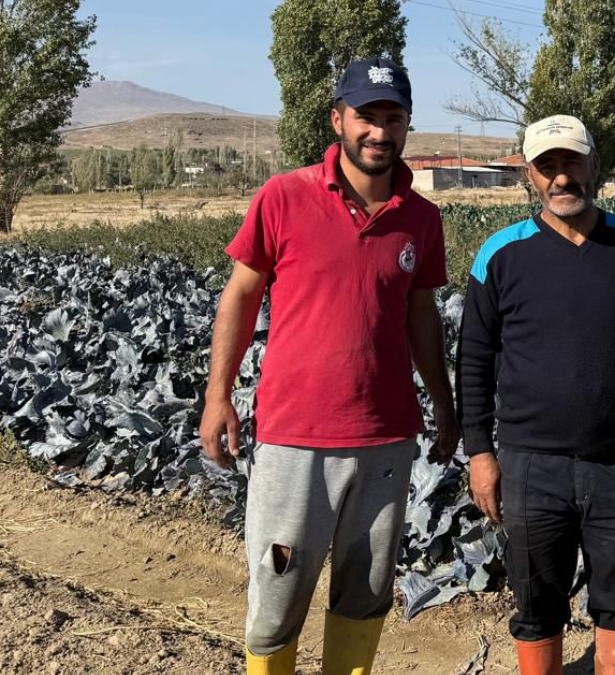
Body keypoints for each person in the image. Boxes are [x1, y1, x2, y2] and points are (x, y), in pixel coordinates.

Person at [198, 56, 457, 675]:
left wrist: (444, 404)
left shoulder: (421, 218)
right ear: (338, 119)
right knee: (277, 599)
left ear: (407, 126)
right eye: (366, 116)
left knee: (365, 595)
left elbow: (422, 317)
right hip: (294, 438)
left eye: (393, 118)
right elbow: (239, 295)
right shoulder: (283, 197)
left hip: (386, 438)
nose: (379, 132)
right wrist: (218, 395)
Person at [456, 114, 615, 675]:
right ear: (530, 177)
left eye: (572, 162)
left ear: (595, 167)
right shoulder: (501, 254)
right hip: (533, 464)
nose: (561, 178)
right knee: (537, 607)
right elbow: (473, 361)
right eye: (547, 167)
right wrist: (480, 454)